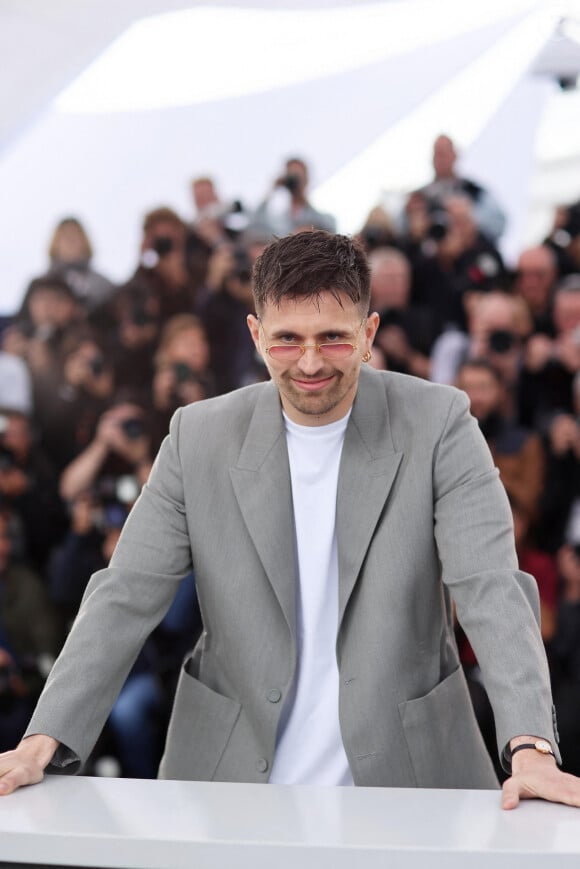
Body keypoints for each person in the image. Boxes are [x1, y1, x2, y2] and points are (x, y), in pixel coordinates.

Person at [1, 231, 579, 811]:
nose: (309, 363)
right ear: (255, 335)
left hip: (413, 780)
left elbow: (491, 587)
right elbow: (124, 594)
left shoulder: (441, 422)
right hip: (227, 780)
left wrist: (530, 744)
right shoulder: (196, 437)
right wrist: (41, 739)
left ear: (369, 335)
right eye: (286, 340)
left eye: (333, 338)